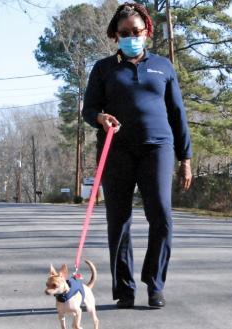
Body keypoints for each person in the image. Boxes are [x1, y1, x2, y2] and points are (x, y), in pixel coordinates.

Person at [82, 2, 192, 309]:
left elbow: (177, 114)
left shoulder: (163, 67)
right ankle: (125, 289)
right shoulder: (104, 69)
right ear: (115, 35)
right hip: (115, 151)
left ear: (147, 32)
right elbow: (89, 109)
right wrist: (100, 118)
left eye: (137, 31)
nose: (132, 37)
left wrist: (186, 159)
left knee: (162, 217)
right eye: (125, 33)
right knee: (119, 221)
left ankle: (155, 284)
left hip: (157, 148)